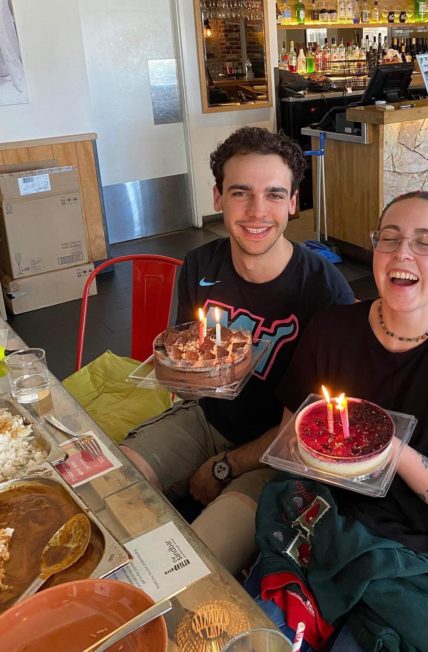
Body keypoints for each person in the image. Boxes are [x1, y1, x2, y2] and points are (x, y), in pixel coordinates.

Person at [253, 191, 428, 650]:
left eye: (425, 242)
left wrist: (389, 451)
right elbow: (289, 438)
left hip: (423, 556)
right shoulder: (331, 329)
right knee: (252, 634)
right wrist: (314, 450)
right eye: (389, 238)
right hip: (323, 526)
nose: (401, 253)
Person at [122, 127, 354, 575]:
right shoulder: (200, 265)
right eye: (240, 193)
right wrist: (179, 375)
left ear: (293, 202)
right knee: (111, 489)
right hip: (205, 419)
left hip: (280, 452)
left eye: (273, 194)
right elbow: (182, 370)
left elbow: (309, 429)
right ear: (218, 197)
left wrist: (225, 467)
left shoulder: (325, 292)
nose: (256, 211)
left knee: (195, 563)